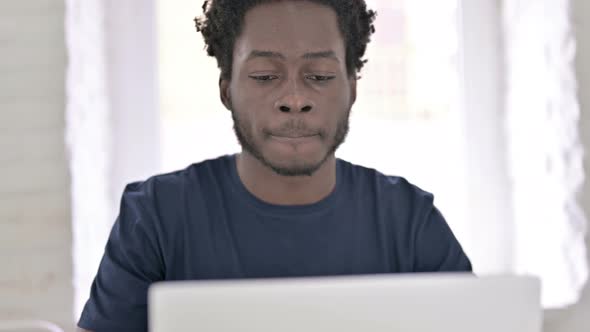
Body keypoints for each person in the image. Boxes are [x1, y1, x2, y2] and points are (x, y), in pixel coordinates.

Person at [77, 0, 472, 331]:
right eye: (265, 76)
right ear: (226, 88)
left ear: (352, 86)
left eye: (320, 75)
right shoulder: (156, 218)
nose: (295, 98)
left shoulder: (410, 222)